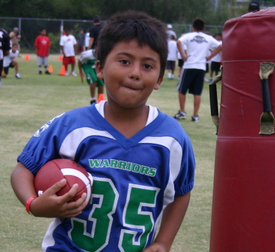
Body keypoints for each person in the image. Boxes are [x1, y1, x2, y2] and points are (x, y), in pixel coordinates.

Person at [10, 11, 195, 252]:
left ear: (159, 79)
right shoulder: (71, 125)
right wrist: (33, 204)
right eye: (125, 61)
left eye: (147, 65)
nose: (135, 72)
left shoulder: (173, 139)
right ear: (99, 68)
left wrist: (163, 242)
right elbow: (23, 169)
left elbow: (181, 193)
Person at [174, 18, 222, 122]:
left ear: (193, 27)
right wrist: (210, 57)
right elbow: (220, 46)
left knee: (182, 90)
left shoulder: (189, 36)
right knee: (197, 93)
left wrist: (183, 56)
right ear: (204, 28)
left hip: (189, 66)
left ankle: (182, 112)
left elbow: (178, 42)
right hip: (201, 67)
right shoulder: (208, 38)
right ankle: (195, 115)